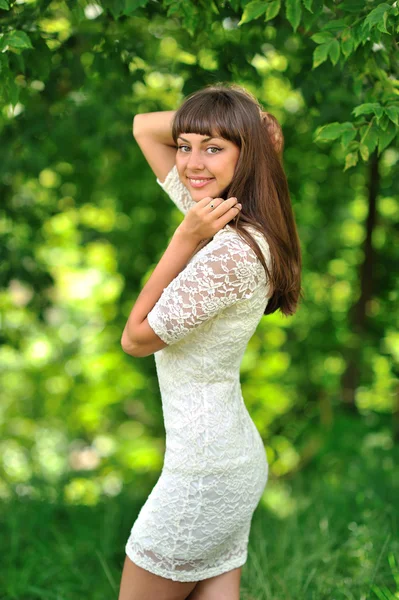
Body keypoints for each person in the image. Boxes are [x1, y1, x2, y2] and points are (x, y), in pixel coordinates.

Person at [118, 83, 302, 600]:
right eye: (186, 146)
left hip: (203, 472)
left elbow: (135, 339)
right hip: (226, 460)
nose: (193, 164)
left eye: (215, 148)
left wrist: (184, 239)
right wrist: (248, 118)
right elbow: (141, 126)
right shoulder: (228, 214)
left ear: (249, 156)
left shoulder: (227, 249)